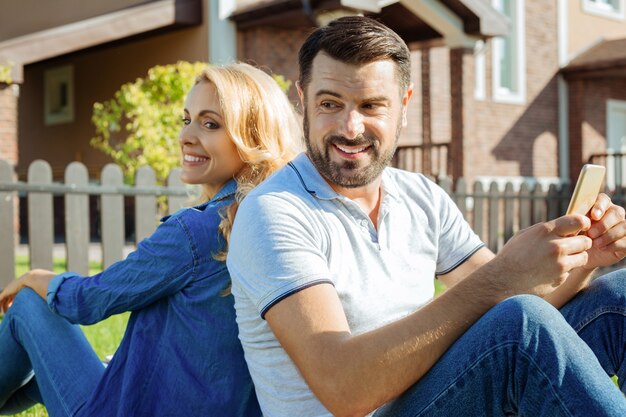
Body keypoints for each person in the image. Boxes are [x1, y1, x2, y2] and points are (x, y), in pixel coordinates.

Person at [227, 16, 626, 417]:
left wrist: (585, 258)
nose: (350, 128)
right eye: (330, 104)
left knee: (619, 296)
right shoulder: (274, 211)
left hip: (434, 396)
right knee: (518, 325)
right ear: (302, 99)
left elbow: (518, 300)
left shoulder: (419, 195)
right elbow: (343, 387)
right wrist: (503, 276)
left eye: (371, 106)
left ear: (403, 105)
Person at [0, 62, 302, 417]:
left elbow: (91, 299)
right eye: (186, 119)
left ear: (253, 137)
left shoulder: (197, 232)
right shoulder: (280, 224)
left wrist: (39, 279)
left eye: (210, 124)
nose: (186, 135)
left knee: (28, 307)